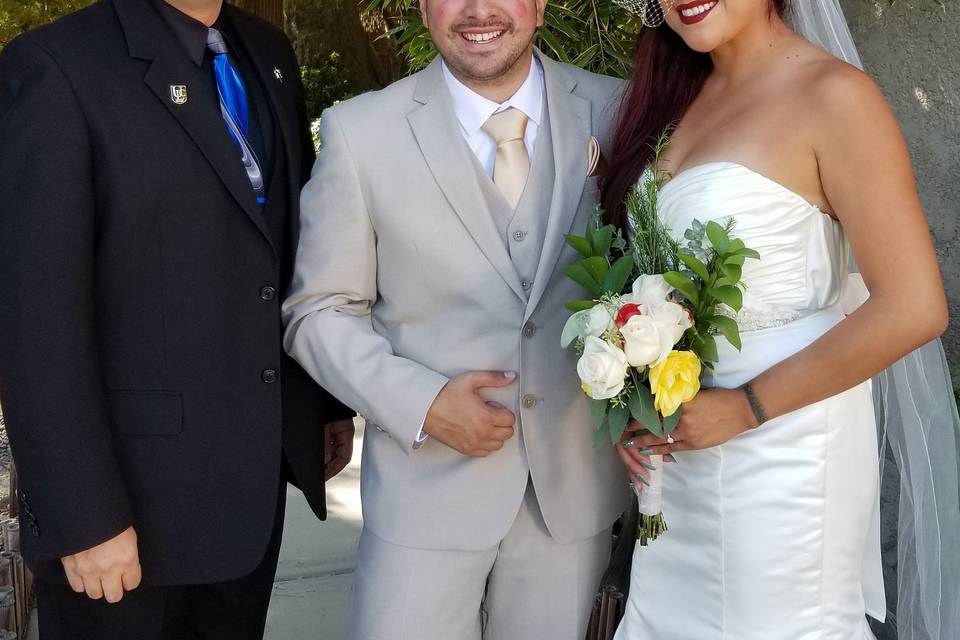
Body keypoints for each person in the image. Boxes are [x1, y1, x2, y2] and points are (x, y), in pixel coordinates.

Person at [0, 0, 354, 637]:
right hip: (124, 519)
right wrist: (81, 515)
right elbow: (33, 321)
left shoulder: (266, 52)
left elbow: (287, 248)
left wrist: (322, 407)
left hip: (250, 490)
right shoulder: (56, 67)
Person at [601, 0, 952, 638]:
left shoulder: (835, 96)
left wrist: (746, 407)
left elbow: (915, 305)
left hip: (786, 450)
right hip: (682, 460)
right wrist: (638, 401)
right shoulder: (676, 98)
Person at [282, 0, 627, 637]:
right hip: (424, 501)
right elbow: (318, 311)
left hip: (571, 497)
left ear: (542, 5)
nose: (478, 11)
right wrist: (422, 402)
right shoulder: (360, 132)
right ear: (421, 7)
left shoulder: (619, 108)